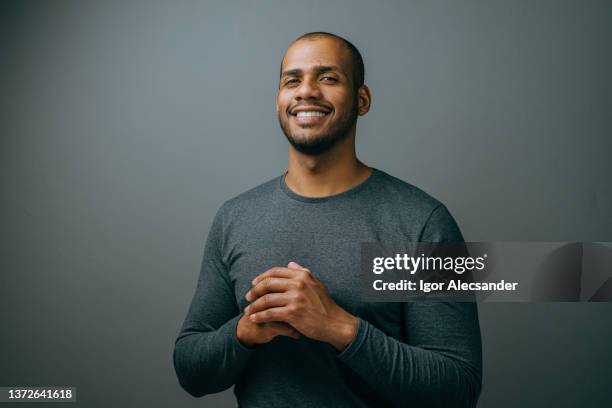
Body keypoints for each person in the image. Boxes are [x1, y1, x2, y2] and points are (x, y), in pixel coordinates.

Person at [173, 31, 482, 408]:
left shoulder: (420, 222)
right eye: (292, 80)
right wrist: (244, 330)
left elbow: (458, 388)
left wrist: (338, 327)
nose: (306, 91)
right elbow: (190, 371)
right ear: (279, 101)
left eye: (328, 78)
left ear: (362, 100)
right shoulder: (235, 218)